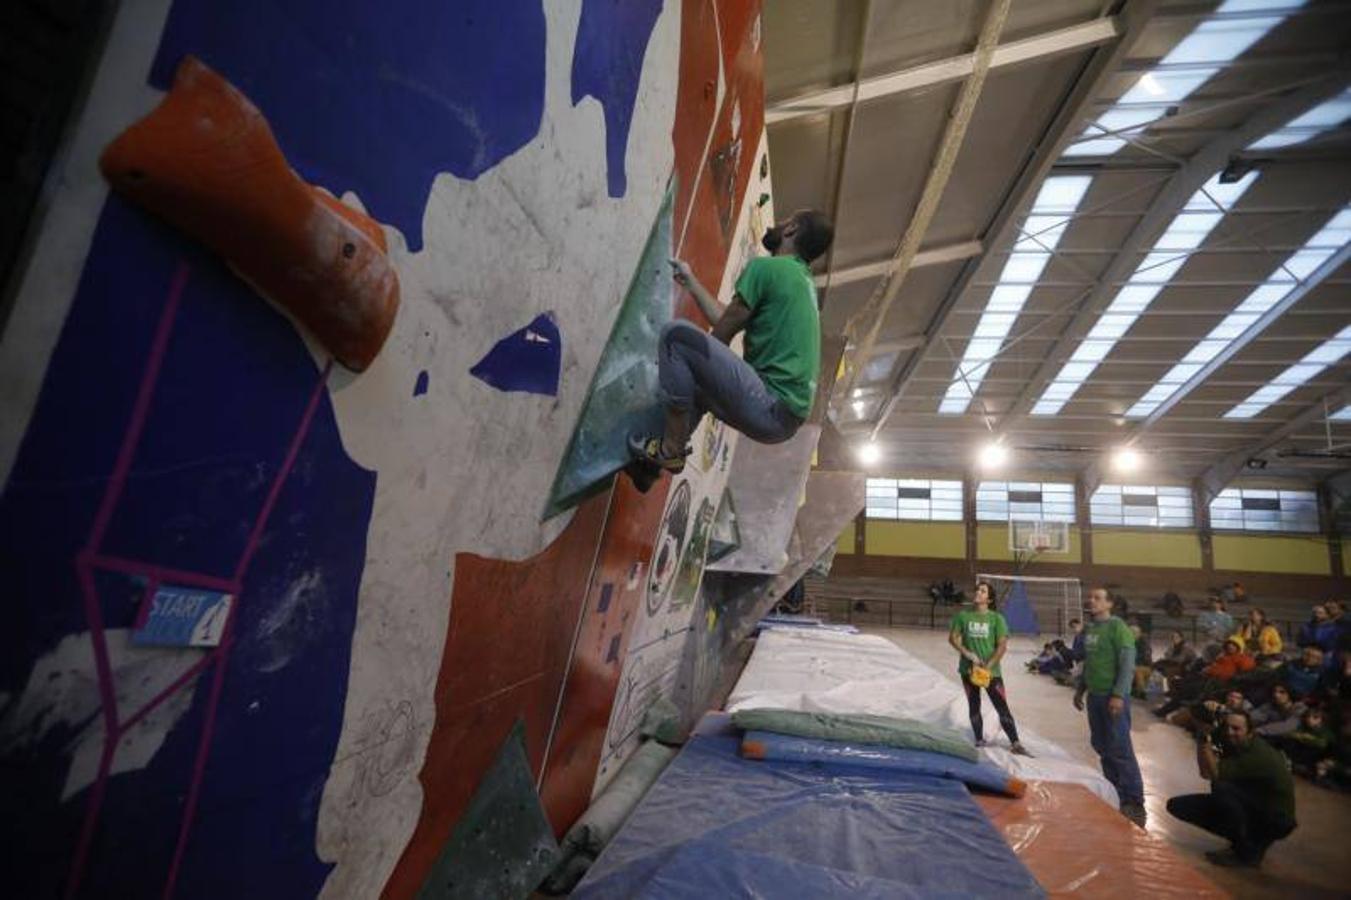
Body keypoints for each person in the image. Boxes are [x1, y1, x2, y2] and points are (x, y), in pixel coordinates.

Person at [629, 210, 834, 476]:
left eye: (784, 220)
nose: (777, 224)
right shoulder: (799, 280)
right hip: (782, 420)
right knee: (700, 383)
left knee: (676, 336)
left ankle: (670, 451)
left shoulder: (769, 268)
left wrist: (685, 368)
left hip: (769, 404)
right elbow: (727, 318)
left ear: (791, 229)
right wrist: (691, 282)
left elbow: (721, 334)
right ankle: (651, 468)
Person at [1166, 711, 1296, 867]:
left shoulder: (1258, 754)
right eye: (1227, 727)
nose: (1230, 732)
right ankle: (1245, 842)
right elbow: (1205, 773)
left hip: (1276, 819)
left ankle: (1248, 849)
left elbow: (1214, 774)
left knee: (1222, 788)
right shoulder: (1234, 740)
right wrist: (1202, 717)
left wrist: (1204, 740)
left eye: (1236, 729)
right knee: (1179, 806)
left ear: (1250, 732)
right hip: (1257, 805)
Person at [1073, 587, 1146, 826]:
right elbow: (1090, 662)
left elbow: (1127, 665)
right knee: (1102, 745)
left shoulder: (1118, 628)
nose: (1091, 601)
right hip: (1095, 696)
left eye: (1097, 598)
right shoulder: (1091, 629)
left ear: (1110, 604)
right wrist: (1081, 689)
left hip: (1112, 698)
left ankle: (1133, 802)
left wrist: (1118, 695)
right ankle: (1115, 792)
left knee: (1120, 748)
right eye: (1091, 597)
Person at [949, 580, 1031, 755]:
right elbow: (953, 638)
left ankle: (1015, 743)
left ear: (990, 599)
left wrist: (989, 665)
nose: (978, 593)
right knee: (974, 705)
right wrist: (967, 654)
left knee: (1002, 707)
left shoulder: (997, 619)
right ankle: (979, 739)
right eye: (977, 589)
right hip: (968, 671)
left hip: (991, 672)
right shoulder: (963, 616)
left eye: (983, 591)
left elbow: (1002, 646)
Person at [1269, 707, 1335, 775]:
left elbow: (1322, 744)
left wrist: (1307, 738)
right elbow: (1291, 734)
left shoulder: (1326, 732)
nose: (1310, 719)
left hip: (1313, 754)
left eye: (1315, 717)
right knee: (1283, 740)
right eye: (1308, 716)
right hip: (1300, 747)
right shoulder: (1304, 726)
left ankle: (1295, 764)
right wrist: (1302, 737)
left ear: (1321, 720)